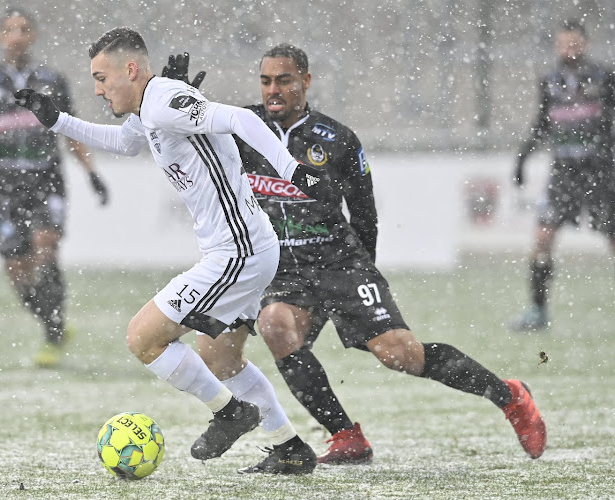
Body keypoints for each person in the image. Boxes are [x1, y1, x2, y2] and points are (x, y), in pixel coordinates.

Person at [168, 43, 547, 463]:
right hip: (281, 270)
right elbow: (192, 142)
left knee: (400, 354)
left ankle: (509, 396)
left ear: (305, 82)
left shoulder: (338, 139)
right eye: (266, 81)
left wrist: (360, 275)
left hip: (339, 263)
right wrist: (179, 100)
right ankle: (346, 436)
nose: (273, 90)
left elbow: (365, 215)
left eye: (284, 80)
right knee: (276, 325)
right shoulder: (241, 127)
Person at [13, 27, 336, 474]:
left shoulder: (163, 99)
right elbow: (125, 143)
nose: (97, 89)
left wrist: (292, 171)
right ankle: (291, 447)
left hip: (238, 253)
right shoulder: (152, 107)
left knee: (143, 338)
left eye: (101, 77)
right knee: (221, 358)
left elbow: (243, 121)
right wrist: (58, 121)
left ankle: (230, 413)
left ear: (130, 69)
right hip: (250, 248)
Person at [0, 8, 110, 368]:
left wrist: (92, 174)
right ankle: (54, 323)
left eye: (23, 29)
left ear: (32, 36)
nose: (17, 36)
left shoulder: (52, 80)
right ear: (1, 37)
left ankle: (52, 335)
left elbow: (70, 130)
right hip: (9, 187)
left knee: (45, 245)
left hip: (47, 179)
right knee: (16, 268)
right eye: (10, 30)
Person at [508, 19, 615, 331]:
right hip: (564, 172)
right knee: (542, 237)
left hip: (600, 171)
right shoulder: (550, 81)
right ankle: (537, 311)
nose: (570, 49)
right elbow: (542, 123)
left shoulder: (604, 78)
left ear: (585, 44)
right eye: (564, 43)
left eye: (575, 43)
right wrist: (523, 158)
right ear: (557, 46)